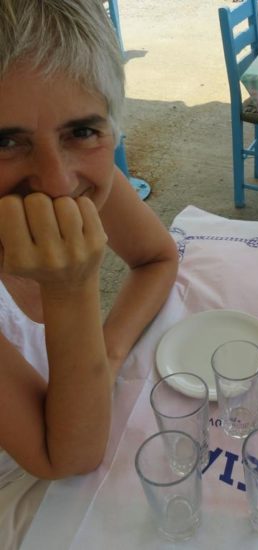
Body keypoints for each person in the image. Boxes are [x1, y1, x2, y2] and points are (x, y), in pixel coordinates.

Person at [0, 0, 178, 503]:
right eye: (5, 141)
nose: (57, 183)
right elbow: (68, 457)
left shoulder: (83, 172)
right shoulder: (69, 173)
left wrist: (109, 349)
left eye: (81, 131)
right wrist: (70, 288)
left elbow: (157, 257)